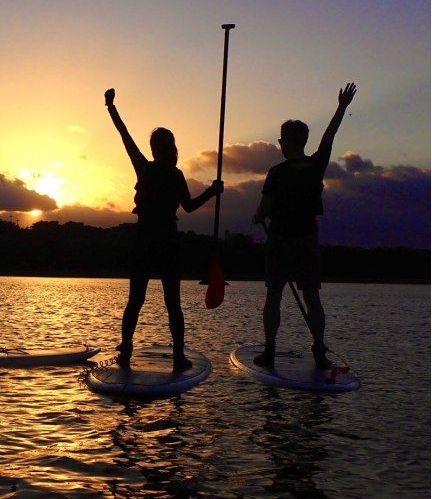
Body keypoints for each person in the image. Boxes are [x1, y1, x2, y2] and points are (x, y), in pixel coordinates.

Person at [104, 88, 223, 371]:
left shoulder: (146, 169)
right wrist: (211, 192)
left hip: (146, 237)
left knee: (137, 298)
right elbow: (190, 206)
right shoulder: (173, 173)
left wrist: (111, 107)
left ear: (156, 149)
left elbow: (125, 136)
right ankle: (177, 356)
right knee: (172, 300)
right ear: (172, 148)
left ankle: (127, 352)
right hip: (166, 238)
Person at [252, 83, 357, 369]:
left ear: (285, 142)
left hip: (281, 241)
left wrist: (257, 217)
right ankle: (319, 350)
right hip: (307, 240)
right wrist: (341, 107)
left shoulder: (276, 173)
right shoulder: (316, 165)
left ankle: (270, 350)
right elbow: (330, 136)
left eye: (281, 141)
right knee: (311, 295)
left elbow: (264, 210)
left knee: (273, 295)